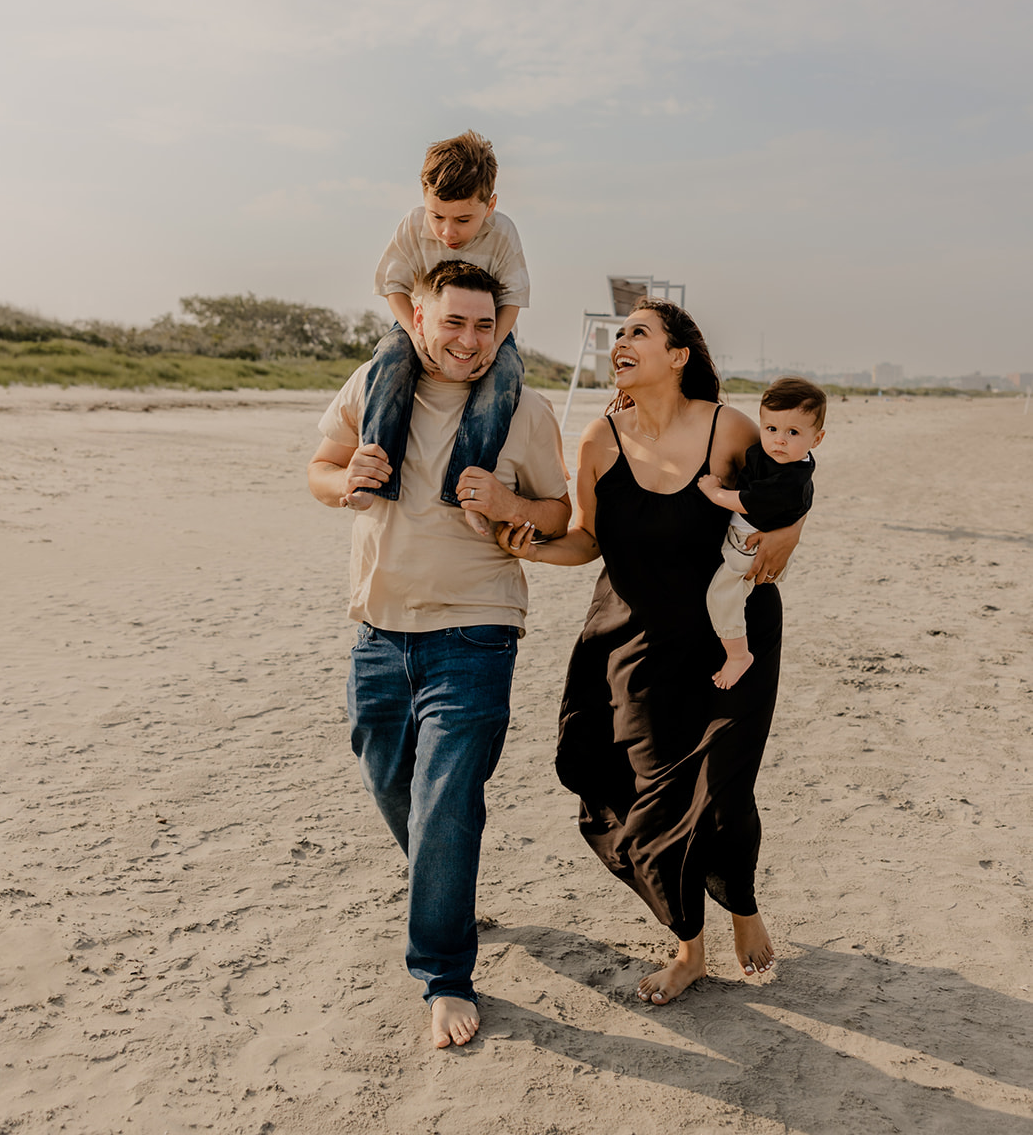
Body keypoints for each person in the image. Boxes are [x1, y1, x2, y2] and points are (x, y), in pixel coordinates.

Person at [497, 299, 804, 1004]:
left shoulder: (728, 429)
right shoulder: (598, 441)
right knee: (652, 796)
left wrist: (791, 531)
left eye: (639, 332)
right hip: (632, 642)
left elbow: (786, 486)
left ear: (678, 356)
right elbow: (587, 541)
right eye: (619, 334)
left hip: (732, 639)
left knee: (721, 784)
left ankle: (742, 906)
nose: (620, 342)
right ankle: (689, 945)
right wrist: (536, 550)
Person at [308, 261, 570, 1049]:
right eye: (452, 322)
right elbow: (319, 468)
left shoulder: (523, 409)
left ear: (502, 328)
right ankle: (446, 889)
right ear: (417, 319)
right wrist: (341, 481)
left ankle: (444, 976)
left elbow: (558, 512)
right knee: (389, 780)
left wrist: (512, 504)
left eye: (484, 325)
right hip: (378, 631)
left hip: (476, 629)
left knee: (446, 798)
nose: (468, 340)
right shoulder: (373, 386)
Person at [350, 130, 530, 536]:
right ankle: (374, 477)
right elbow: (393, 285)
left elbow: (514, 297)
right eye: (438, 217)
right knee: (389, 356)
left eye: (463, 220)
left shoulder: (503, 233)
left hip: (487, 329)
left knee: (506, 374)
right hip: (418, 324)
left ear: (490, 205)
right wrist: (414, 337)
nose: (448, 232)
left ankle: (467, 492)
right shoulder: (413, 226)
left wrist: (493, 346)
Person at [697, 376, 826, 689]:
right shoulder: (783, 458)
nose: (779, 440)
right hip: (753, 539)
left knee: (722, 595)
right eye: (771, 429)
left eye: (792, 432)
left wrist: (714, 492)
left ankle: (738, 654)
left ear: (817, 439)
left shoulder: (789, 480)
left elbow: (746, 501)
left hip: (749, 547)